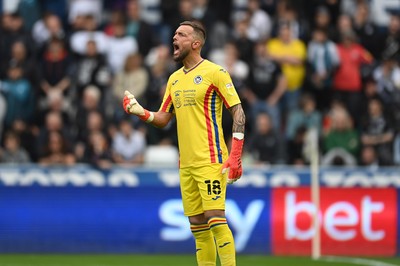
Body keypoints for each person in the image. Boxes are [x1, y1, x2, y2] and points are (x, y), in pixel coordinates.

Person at [123, 21, 245, 266]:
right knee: (198, 226)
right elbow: (164, 118)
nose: (174, 38)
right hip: (186, 164)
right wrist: (141, 112)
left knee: (215, 217)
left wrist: (236, 155)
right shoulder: (174, 79)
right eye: (174, 33)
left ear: (196, 43)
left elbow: (239, 113)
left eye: (181, 34)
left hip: (211, 159)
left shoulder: (216, 73)